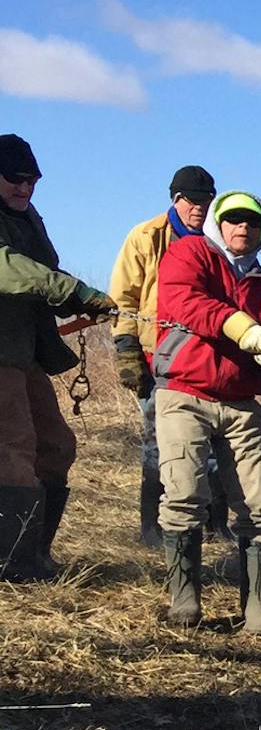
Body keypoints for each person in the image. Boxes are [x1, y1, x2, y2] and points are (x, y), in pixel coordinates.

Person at [152, 189, 261, 632]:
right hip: (183, 393)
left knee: (258, 507)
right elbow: (184, 302)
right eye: (234, 219)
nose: (242, 227)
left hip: (241, 405)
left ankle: (257, 610)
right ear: (219, 222)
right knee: (182, 496)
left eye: (251, 222)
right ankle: (185, 604)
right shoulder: (189, 253)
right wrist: (241, 326)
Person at [0, 134, 116, 582]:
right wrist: (71, 291)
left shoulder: (28, 218)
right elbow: (9, 267)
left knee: (56, 447)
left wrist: (84, 300)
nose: (24, 188)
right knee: (12, 450)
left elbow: (46, 271)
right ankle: (12, 567)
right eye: (15, 178)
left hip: (26, 353)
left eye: (32, 181)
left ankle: (36, 554)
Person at [111, 165, 231, 546]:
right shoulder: (145, 236)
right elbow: (123, 298)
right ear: (175, 199)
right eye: (192, 201)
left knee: (213, 444)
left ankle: (215, 526)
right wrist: (126, 349)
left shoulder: (219, 243)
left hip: (207, 358)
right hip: (155, 356)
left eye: (206, 201)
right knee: (157, 444)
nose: (200, 208)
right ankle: (153, 529)